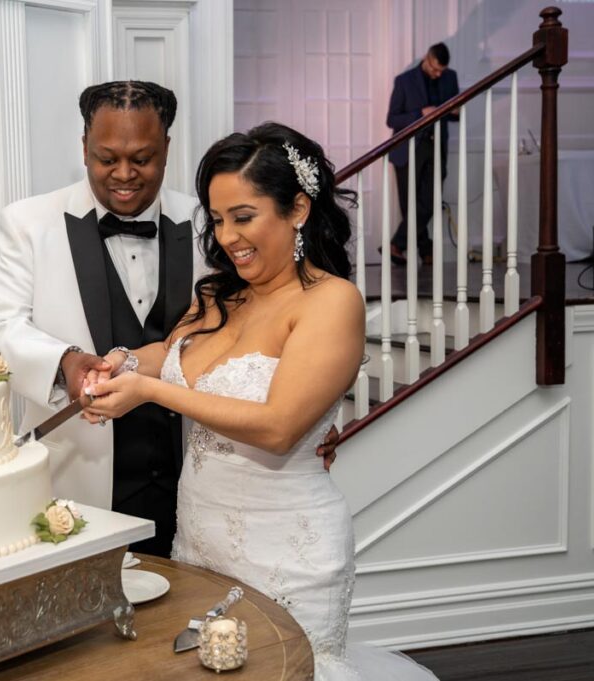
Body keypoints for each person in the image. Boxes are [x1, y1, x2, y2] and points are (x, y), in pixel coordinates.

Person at [83, 122, 438, 680]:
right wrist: (120, 363)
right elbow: (173, 357)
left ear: (297, 209)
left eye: (243, 217)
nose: (227, 237)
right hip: (200, 537)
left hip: (287, 550)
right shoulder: (220, 293)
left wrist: (151, 392)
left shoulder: (330, 302)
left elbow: (278, 427)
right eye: (218, 220)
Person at [0, 81, 336, 558]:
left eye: (142, 159)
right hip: (81, 480)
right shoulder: (28, 223)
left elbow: (267, 330)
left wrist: (312, 413)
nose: (124, 174)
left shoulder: (212, 223)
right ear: (84, 148)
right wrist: (66, 362)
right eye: (107, 158)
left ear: (167, 148)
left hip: (192, 483)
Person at [386, 42, 459, 266]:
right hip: (408, 150)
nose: (438, 74)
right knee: (411, 206)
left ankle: (397, 244)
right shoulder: (404, 81)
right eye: (435, 69)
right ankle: (426, 250)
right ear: (427, 58)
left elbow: (454, 115)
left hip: (437, 146)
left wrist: (456, 111)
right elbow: (392, 119)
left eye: (441, 71)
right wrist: (421, 113)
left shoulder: (450, 77)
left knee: (430, 200)